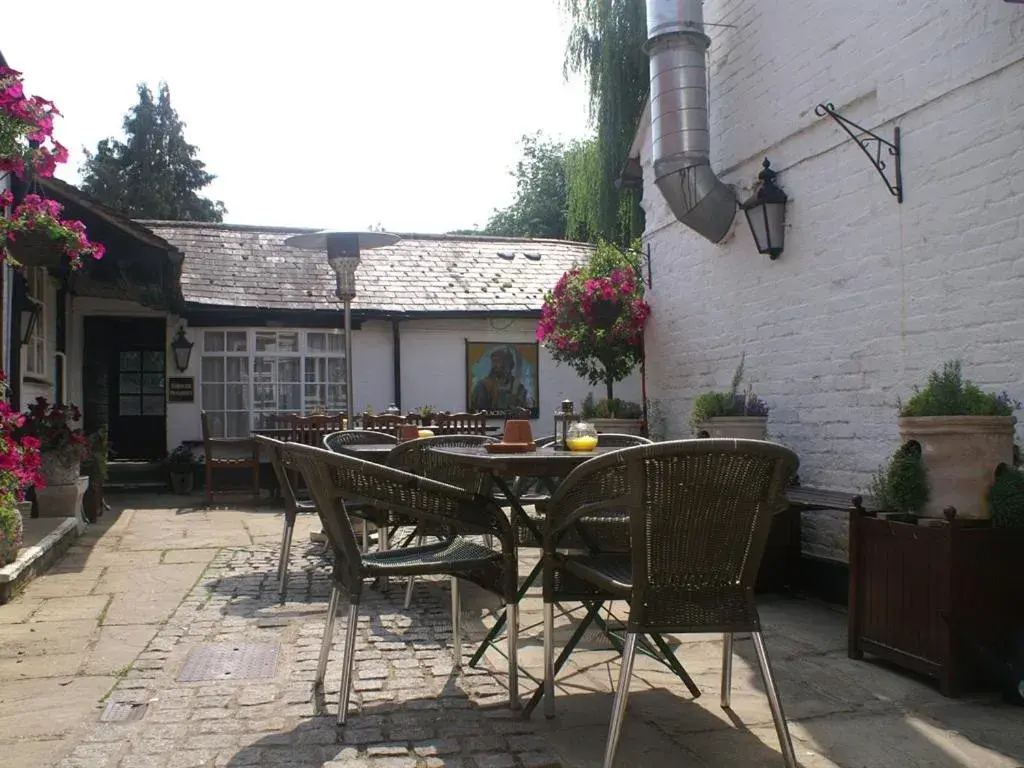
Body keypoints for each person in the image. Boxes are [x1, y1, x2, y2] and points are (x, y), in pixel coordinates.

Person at [470, 346, 531, 413]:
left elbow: (527, 409)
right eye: (494, 361)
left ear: (511, 365)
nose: (496, 365)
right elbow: (477, 411)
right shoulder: (483, 386)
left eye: (500, 361)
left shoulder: (519, 388)